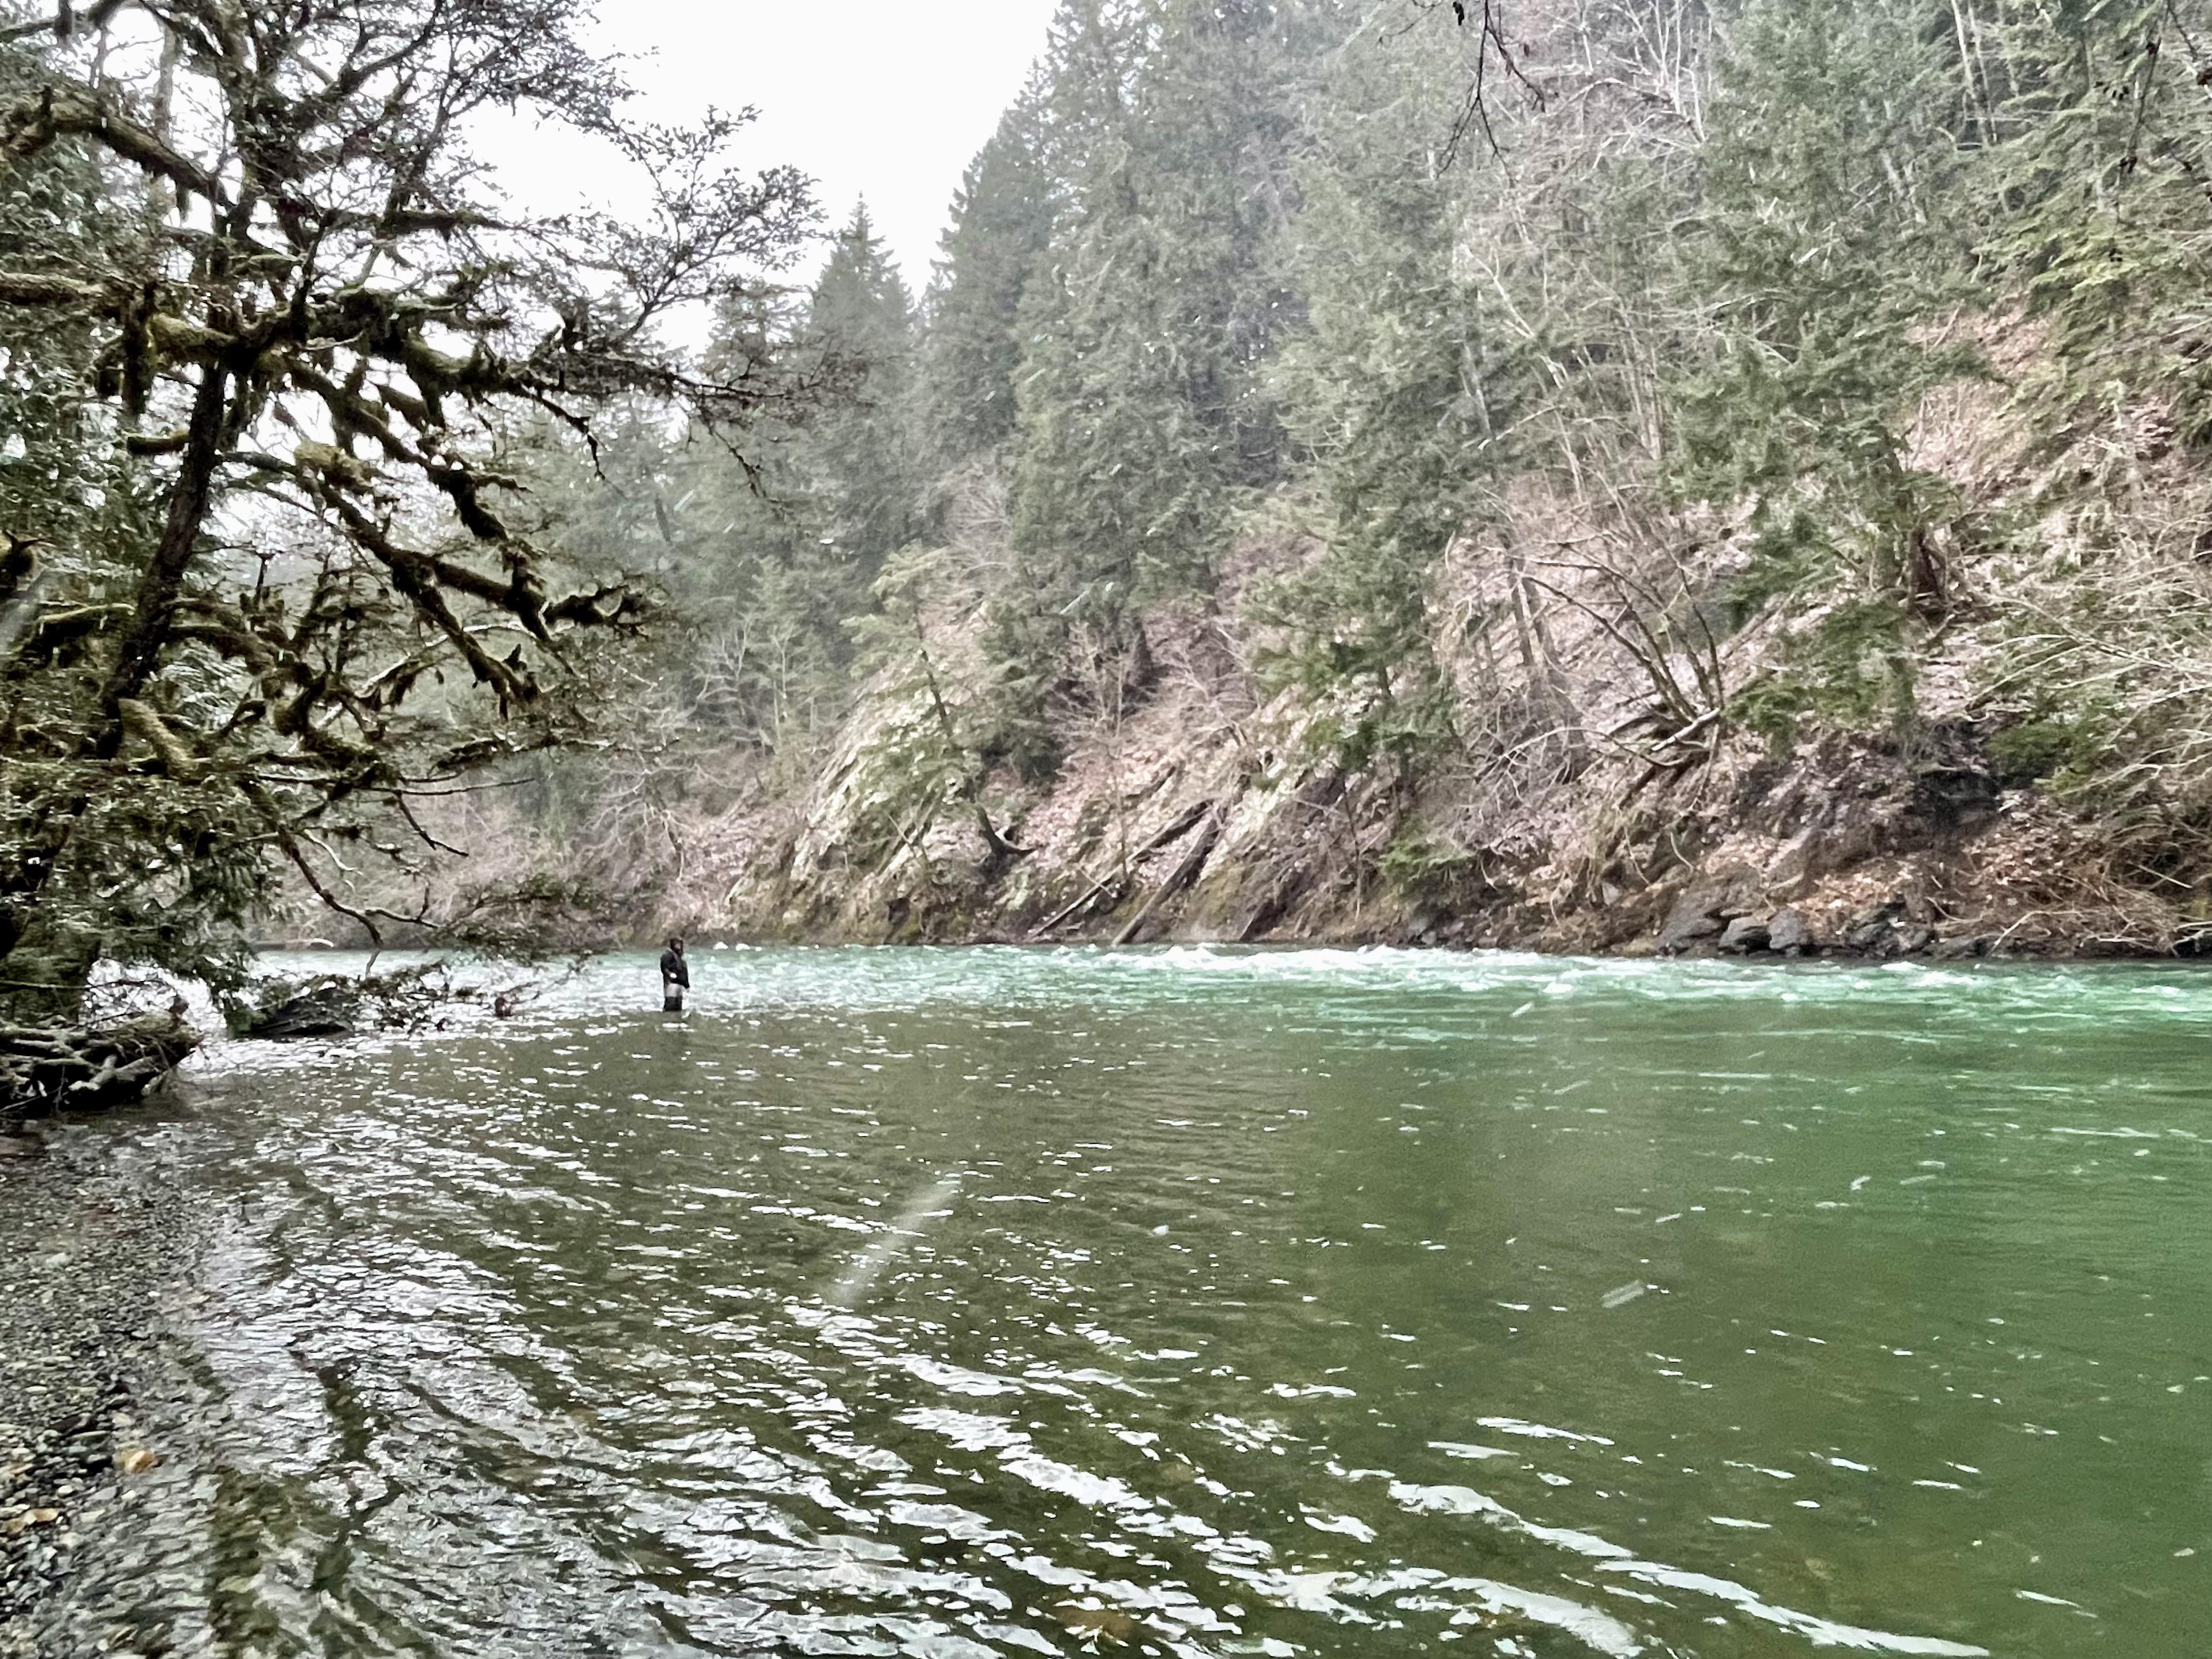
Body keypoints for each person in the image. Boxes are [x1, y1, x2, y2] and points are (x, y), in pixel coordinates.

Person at [659, 936, 690, 1012]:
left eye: (679, 944)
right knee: (670, 1005)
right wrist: (670, 974)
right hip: (671, 984)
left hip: (680, 986)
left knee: (678, 1007)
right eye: (676, 944)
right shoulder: (667, 955)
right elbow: (664, 968)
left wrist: (687, 985)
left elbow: (684, 972)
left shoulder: (680, 958)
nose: (678, 946)